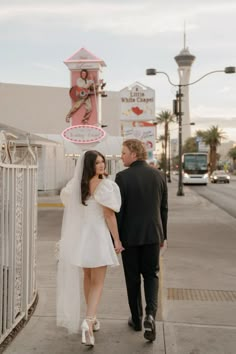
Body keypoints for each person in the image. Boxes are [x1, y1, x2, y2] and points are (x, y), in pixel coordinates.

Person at [57, 150, 124, 347]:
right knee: (98, 283)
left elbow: (71, 208)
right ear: (89, 166)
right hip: (98, 237)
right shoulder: (106, 186)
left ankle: (92, 318)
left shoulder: (75, 186)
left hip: (81, 237)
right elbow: (109, 216)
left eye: (103, 162)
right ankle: (88, 321)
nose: (102, 165)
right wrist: (117, 241)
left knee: (88, 277)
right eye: (97, 163)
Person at [115, 139, 168, 342]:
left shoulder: (122, 177)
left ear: (134, 154)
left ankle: (137, 319)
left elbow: (118, 212)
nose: (122, 156)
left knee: (133, 278)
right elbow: (163, 208)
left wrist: (116, 238)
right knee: (152, 275)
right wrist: (163, 235)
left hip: (130, 237)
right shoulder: (159, 175)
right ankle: (151, 316)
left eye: (124, 153)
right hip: (154, 235)